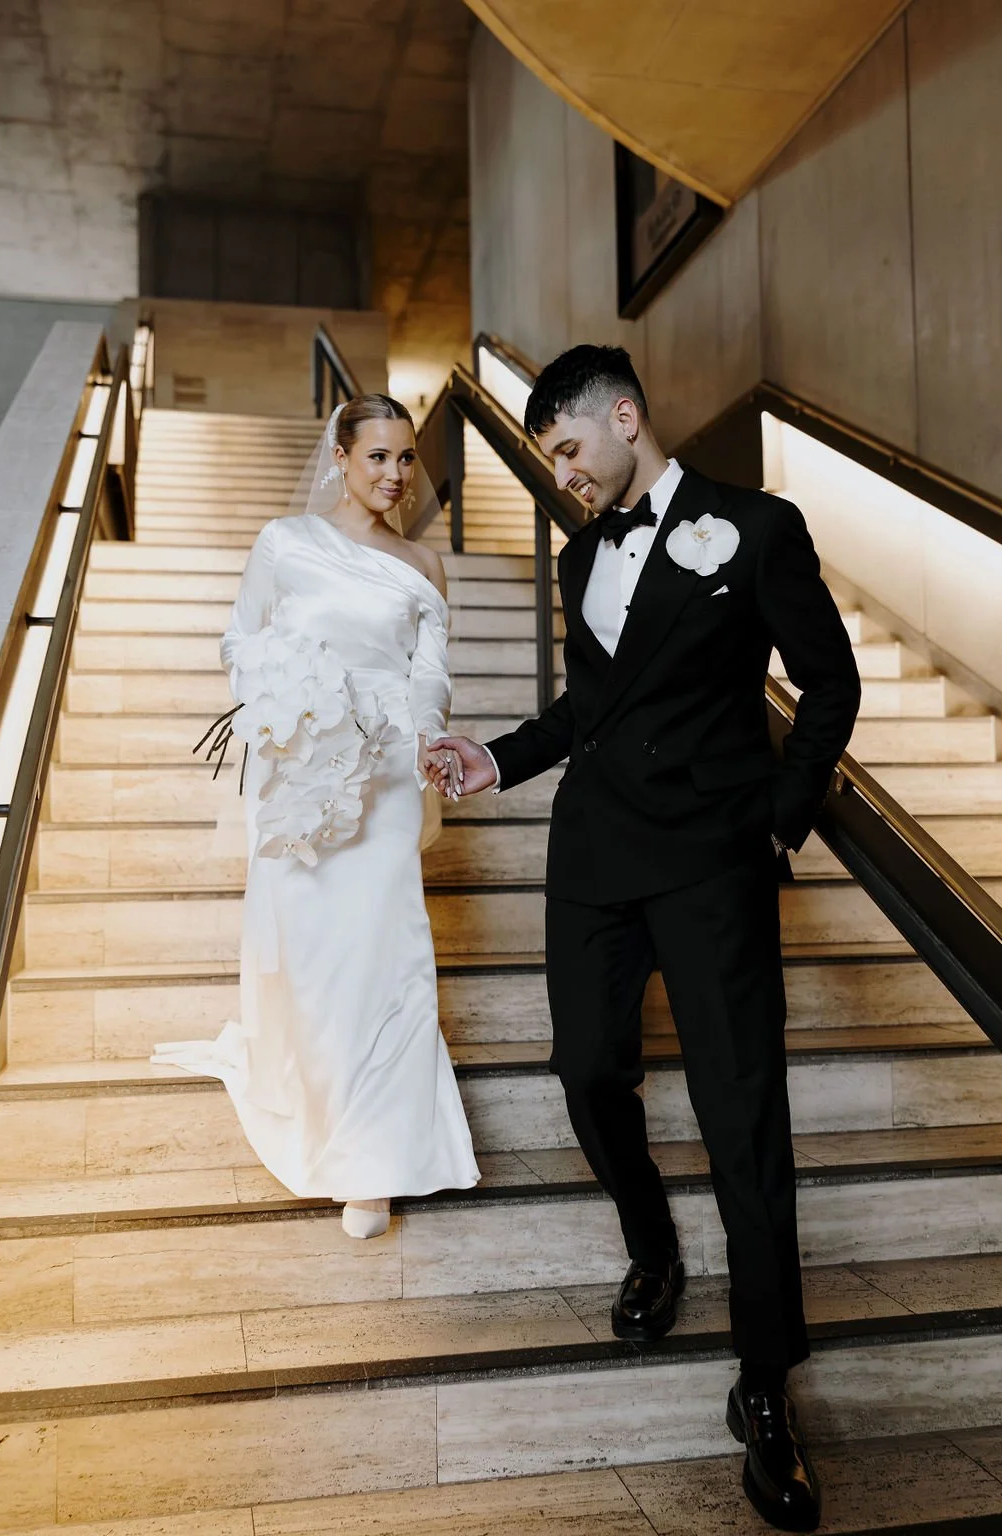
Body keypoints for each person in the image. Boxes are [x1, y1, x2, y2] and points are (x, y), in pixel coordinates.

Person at [425, 345, 861, 1533]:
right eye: (549, 458)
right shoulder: (581, 556)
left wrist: (780, 821)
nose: (560, 473)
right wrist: (498, 758)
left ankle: (765, 1389)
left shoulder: (757, 529)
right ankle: (651, 1246)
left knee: (742, 1119)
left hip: (714, 862)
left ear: (624, 417)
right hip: (597, 860)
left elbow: (828, 685)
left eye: (567, 447)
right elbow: (589, 708)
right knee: (586, 1071)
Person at [154, 394, 479, 1240]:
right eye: (377, 456)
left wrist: (425, 742)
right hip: (301, 768)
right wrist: (282, 712)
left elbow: (428, 676)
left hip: (384, 774)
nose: (395, 474)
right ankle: (311, 1097)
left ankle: (373, 1159)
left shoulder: (424, 566)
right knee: (310, 951)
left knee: (383, 950)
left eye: (407, 458)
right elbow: (240, 642)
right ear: (340, 457)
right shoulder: (285, 544)